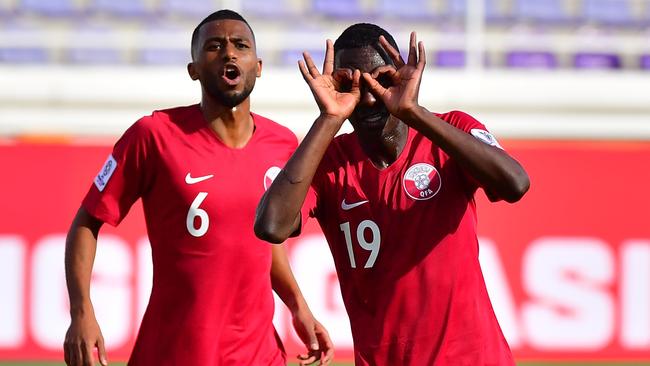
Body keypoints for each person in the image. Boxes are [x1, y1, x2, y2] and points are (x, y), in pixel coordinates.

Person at [63, 10, 333, 366]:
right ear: (193, 69)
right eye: (214, 46)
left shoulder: (282, 145)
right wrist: (81, 310)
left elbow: (261, 244)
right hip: (174, 351)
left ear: (259, 66)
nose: (229, 53)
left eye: (240, 45)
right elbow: (87, 222)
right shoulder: (153, 135)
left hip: (259, 354)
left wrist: (299, 307)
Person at [255, 23, 530, 365]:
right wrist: (329, 118)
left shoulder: (450, 130)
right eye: (352, 83)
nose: (369, 97)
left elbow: (515, 184)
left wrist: (414, 112)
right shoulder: (327, 163)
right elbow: (271, 226)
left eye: (381, 80)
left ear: (400, 75)